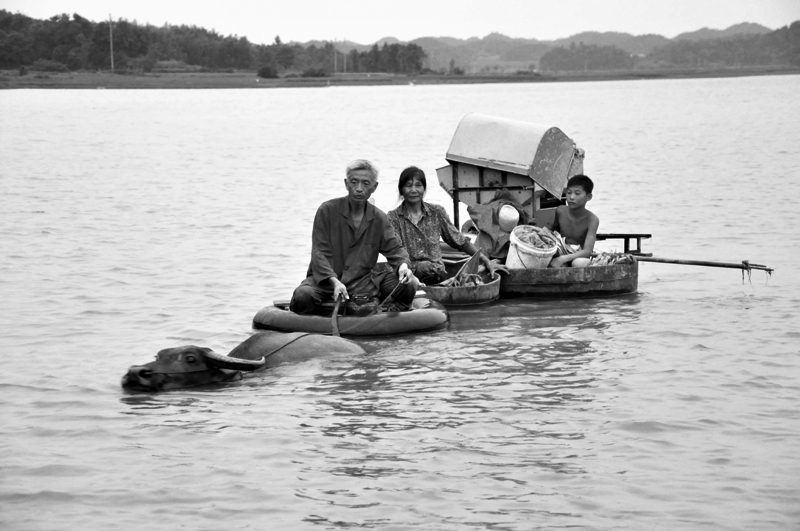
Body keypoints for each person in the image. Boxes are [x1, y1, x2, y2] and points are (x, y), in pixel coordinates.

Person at [290, 160, 418, 315]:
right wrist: (335, 282)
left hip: (362, 282)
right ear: (346, 184)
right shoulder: (327, 210)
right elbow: (319, 254)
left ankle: (389, 315)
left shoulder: (379, 218)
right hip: (325, 282)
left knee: (408, 285)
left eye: (365, 183)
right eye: (354, 182)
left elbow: (396, 249)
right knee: (303, 296)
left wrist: (403, 267)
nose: (359, 189)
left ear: (374, 187)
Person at [388, 166, 499, 284]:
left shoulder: (437, 212)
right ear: (401, 190)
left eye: (418, 185)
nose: (414, 190)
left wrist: (483, 258)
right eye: (408, 186)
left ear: (424, 189)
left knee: (432, 269)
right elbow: (396, 251)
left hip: (435, 273)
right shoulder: (393, 217)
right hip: (405, 274)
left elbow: (459, 240)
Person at [550, 174, 599, 268]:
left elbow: (587, 251)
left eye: (577, 193)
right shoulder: (560, 211)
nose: (571, 197)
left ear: (588, 197)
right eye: (568, 192)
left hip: (579, 256)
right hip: (561, 252)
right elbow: (553, 235)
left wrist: (562, 259)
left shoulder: (592, 220)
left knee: (578, 263)